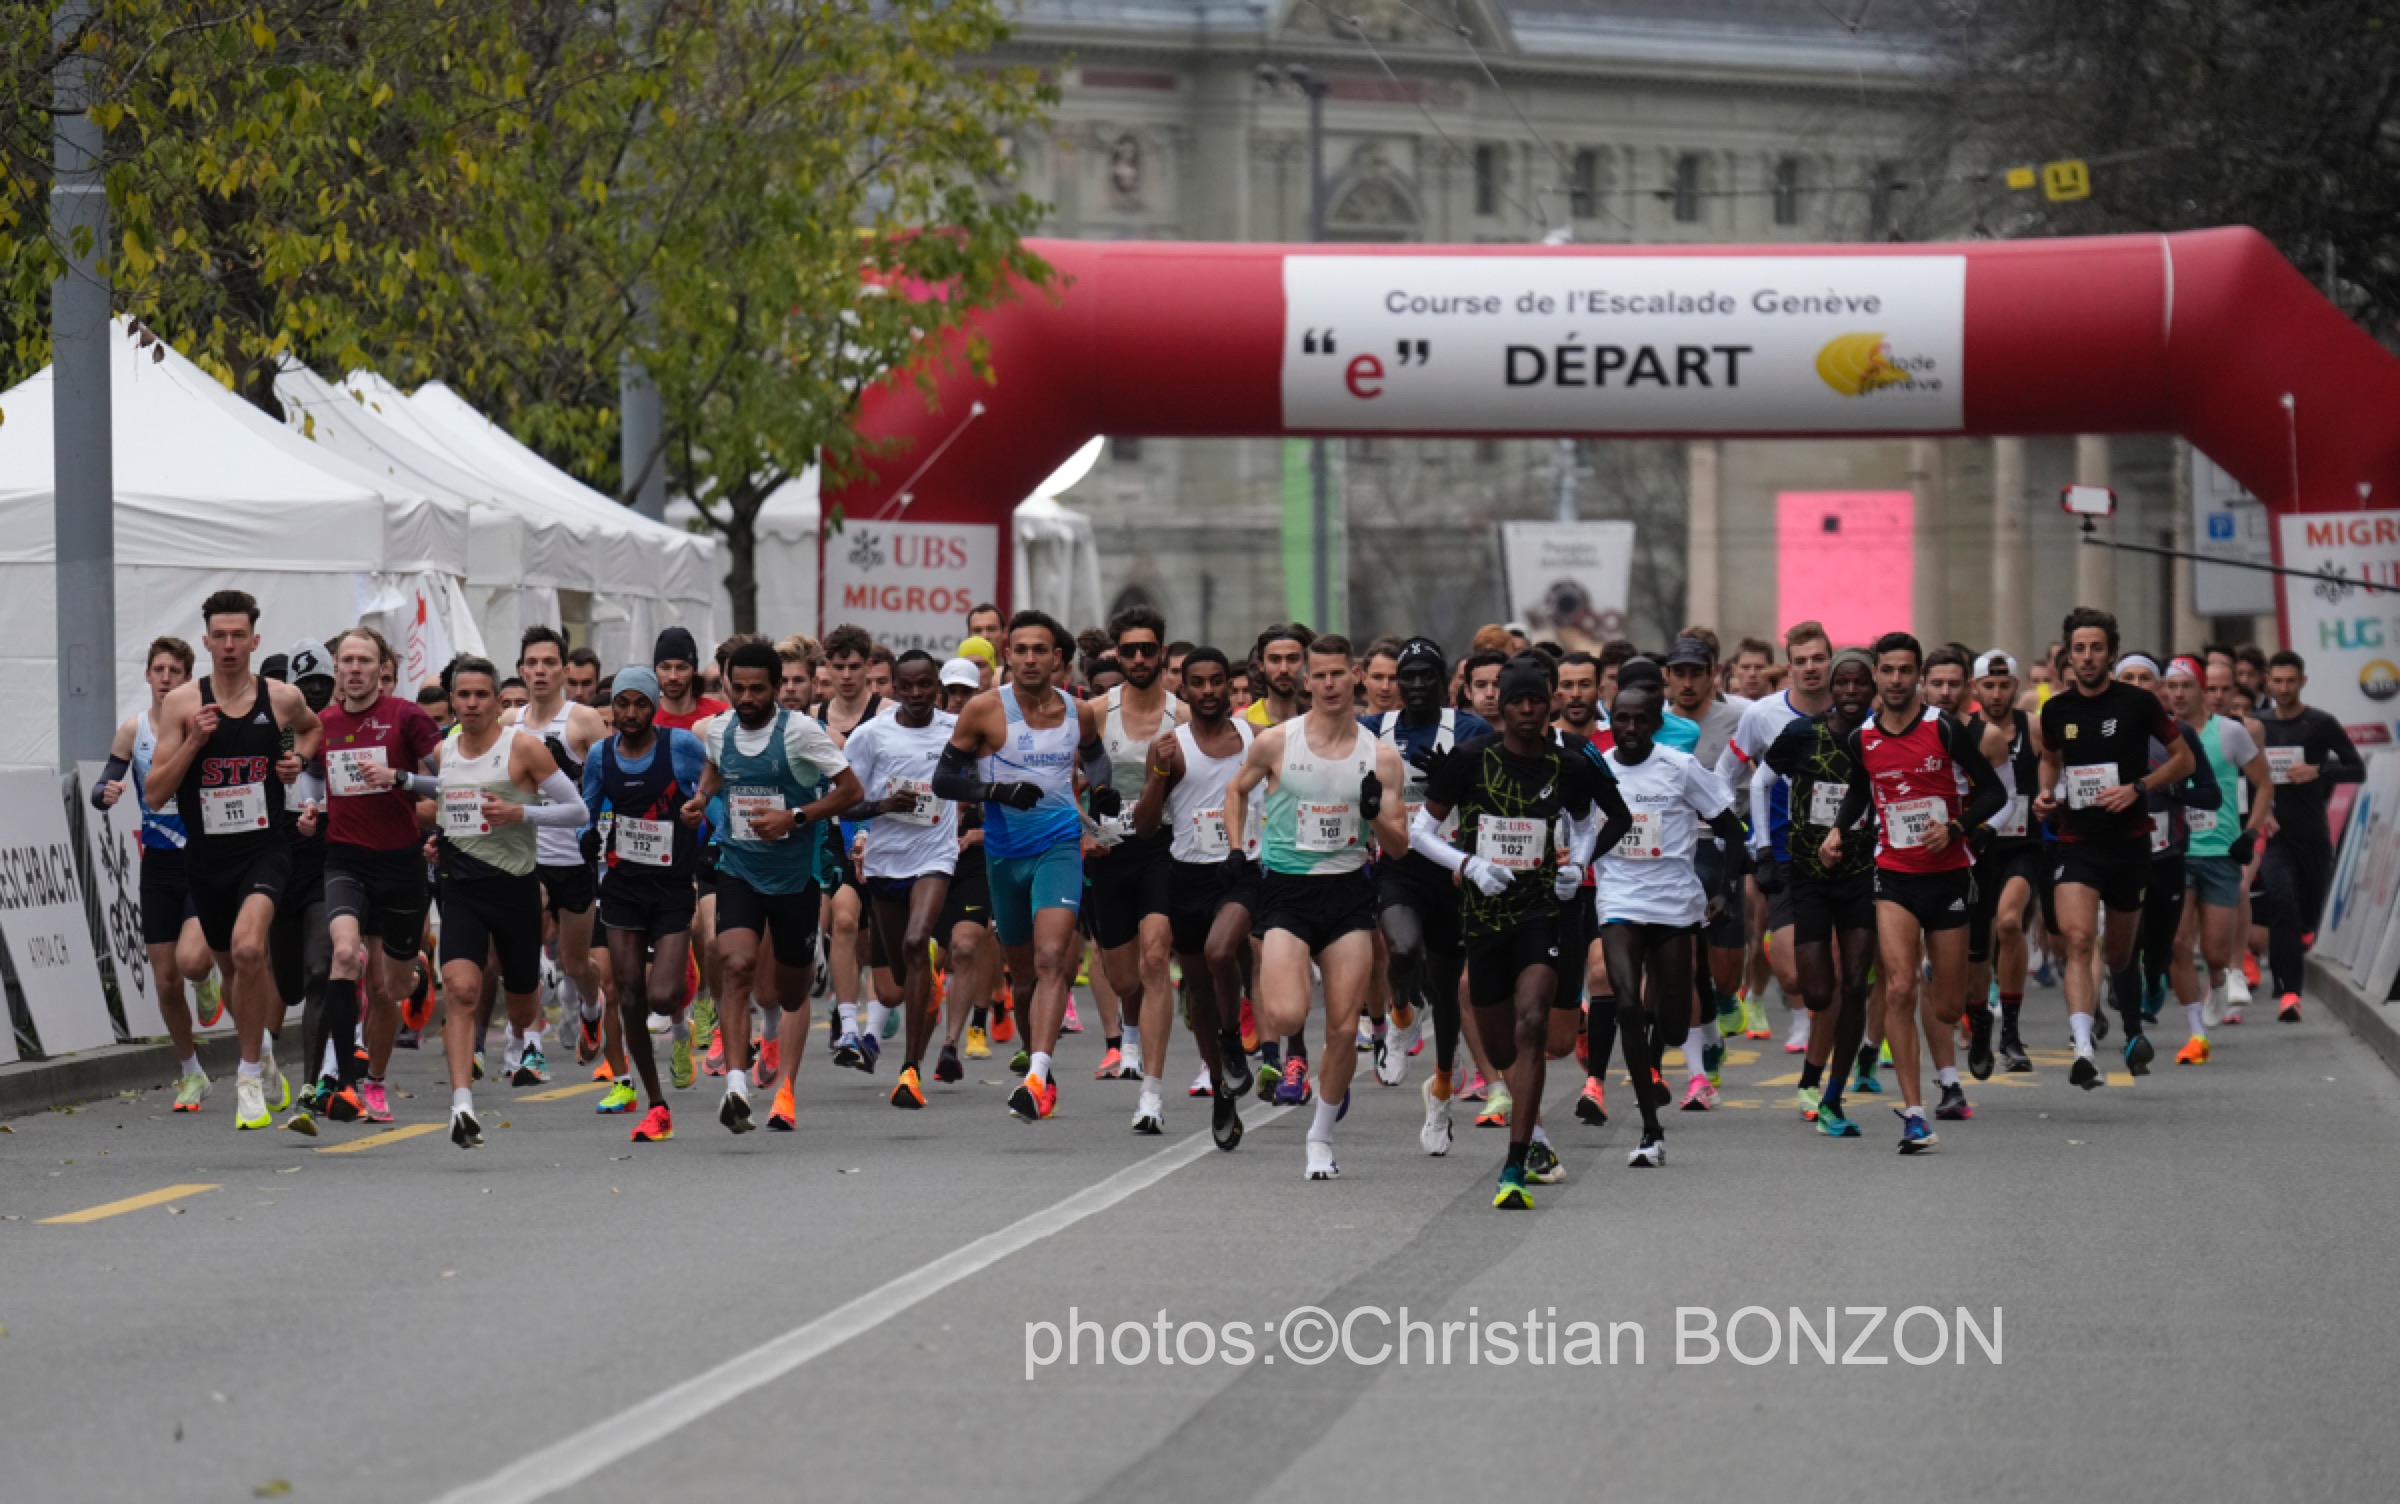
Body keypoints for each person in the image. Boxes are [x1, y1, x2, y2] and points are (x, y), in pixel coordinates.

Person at [1413, 656, 1630, 1208]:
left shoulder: (1569, 764)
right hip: (1485, 915)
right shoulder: (1470, 760)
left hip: (1541, 912)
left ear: (1549, 702)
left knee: (1533, 1022)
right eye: (1517, 701)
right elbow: (1420, 833)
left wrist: (1578, 865)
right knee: (1503, 1044)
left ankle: (1515, 1163)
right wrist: (1469, 866)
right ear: (1503, 707)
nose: (1528, 710)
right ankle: (1527, 1129)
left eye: (1536, 700)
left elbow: (1587, 824)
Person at [1222, 636, 1408, 1181]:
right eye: (1319, 675)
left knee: (1345, 1030)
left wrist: (1376, 815)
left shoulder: (1380, 757)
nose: (1328, 685)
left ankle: (1320, 1137)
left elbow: (1398, 846)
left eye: (1337, 674)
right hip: (1286, 892)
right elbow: (1236, 790)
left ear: (1354, 676)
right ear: (1308, 681)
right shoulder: (1277, 743)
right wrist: (1236, 848)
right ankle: (1318, 1068)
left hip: (1348, 892)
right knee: (1286, 1016)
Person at [145, 591, 322, 1132]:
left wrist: (296, 760)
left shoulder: (281, 697)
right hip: (207, 857)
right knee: (229, 967)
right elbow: (155, 793)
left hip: (265, 849)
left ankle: (246, 1077)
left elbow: (311, 728)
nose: (228, 645)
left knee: (249, 949)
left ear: (254, 640)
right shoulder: (183, 705)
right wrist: (194, 742)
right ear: (206, 641)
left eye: (238, 635)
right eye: (219, 636)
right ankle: (260, 1049)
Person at [1823, 631, 2006, 1150]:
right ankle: (1916, 1114)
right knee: (1899, 987)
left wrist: (1957, 828)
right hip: (1894, 875)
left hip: (1948, 877)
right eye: (1888, 671)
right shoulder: (1862, 738)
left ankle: (1966, 1004)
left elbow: (1993, 792)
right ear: (1876, 675)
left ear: (1918, 676)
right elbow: (1861, 790)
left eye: (1906, 671)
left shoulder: (1944, 729)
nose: (1897, 680)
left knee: (1946, 1007)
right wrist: (1838, 830)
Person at [932, 609, 1114, 1123]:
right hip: (1004, 854)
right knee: (1026, 976)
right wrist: (996, 792)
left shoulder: (1078, 712)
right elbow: (944, 780)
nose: (1030, 659)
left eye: (1041, 650)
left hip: (1059, 845)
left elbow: (1095, 757)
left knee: (1053, 956)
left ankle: (1036, 1077)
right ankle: (1039, 1066)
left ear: (1057, 658)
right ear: (1007, 655)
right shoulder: (985, 710)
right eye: (1022, 650)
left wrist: (1102, 789)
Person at [681, 643, 859, 1132]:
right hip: (739, 868)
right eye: (737, 688)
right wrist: (703, 798)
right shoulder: (721, 730)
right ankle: (736, 1087)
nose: (746, 698)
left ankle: (787, 1069)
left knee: (791, 991)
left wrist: (794, 817)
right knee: (735, 963)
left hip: (795, 878)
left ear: (777, 687)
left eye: (757, 689)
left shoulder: (801, 733)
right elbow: (716, 767)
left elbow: (851, 791)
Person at [2034, 609, 2194, 1087]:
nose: (2087, 657)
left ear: (2111, 654)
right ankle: (2083, 1049)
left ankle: (2128, 1020)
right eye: (2079, 649)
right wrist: (2046, 793)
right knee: (2078, 940)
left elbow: (2183, 760)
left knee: (2121, 953)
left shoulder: (2138, 703)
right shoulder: (2056, 710)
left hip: (2128, 843)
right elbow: (2050, 760)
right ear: (2068, 654)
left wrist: (2138, 787)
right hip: (2076, 842)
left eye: (2096, 648)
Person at [431, 656, 586, 1148]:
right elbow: (449, 810)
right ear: (452, 701)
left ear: (498, 702)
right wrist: (437, 840)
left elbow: (577, 811)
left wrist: (520, 812)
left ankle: (529, 1016)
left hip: (515, 888)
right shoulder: (443, 751)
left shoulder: (523, 748)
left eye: (481, 695)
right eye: (463, 695)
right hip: (460, 888)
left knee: (521, 1008)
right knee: (461, 990)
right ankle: (461, 1105)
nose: (472, 703)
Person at [1593, 676, 1748, 1166]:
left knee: (1675, 1025)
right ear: (1611, 721)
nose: (1630, 727)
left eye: (1640, 720)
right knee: (1625, 1003)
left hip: (1675, 905)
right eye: (1622, 718)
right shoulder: (1597, 768)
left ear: (1656, 724)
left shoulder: (1680, 768)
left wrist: (1725, 890)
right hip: (1619, 899)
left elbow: (1730, 829)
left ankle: (1666, 1035)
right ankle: (1650, 1130)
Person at [313, 627, 445, 1126]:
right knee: (345, 954)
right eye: (347, 660)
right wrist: (311, 812)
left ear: (381, 668)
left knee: (390, 989)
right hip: (345, 861)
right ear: (336, 668)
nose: (355, 669)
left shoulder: (406, 716)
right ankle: (346, 1081)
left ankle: (377, 1078)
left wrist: (401, 778)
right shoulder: (322, 723)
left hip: (400, 864)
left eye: (364, 661)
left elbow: (452, 777)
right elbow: (308, 777)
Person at [1364, 638, 1492, 1153]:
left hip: (1452, 869)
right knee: (1400, 949)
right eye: (1408, 676)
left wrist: (1453, 784)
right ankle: (1399, 1015)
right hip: (1399, 865)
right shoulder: (1374, 730)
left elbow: (1492, 796)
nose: (1417, 685)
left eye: (1426, 676)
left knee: (1445, 989)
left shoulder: (1470, 730)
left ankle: (1440, 1097)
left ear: (1444, 682)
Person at [1132, 646, 1258, 1150]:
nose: (1208, 691)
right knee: (1199, 989)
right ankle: (1222, 1088)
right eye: (1198, 683)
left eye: (1216, 681)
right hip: (1187, 873)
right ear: (1182, 689)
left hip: (1242, 869)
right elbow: (1145, 827)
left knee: (1220, 951)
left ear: (1229, 684)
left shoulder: (1255, 738)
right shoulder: (1170, 746)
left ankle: (1232, 1039)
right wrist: (1160, 775)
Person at [92, 636, 219, 1111]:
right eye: (159, 670)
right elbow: (104, 783)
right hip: (159, 864)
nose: (165, 679)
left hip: (202, 859)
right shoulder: (134, 729)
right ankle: (191, 1072)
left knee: (192, 961)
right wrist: (105, 793)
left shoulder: (203, 725)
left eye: (175, 672)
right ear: (147, 675)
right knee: (165, 981)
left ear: (188, 678)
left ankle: (205, 980)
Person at [1761, 650, 1880, 1138]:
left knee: (1855, 986)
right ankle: (1815, 1076)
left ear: (1872, 689)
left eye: (1860, 683)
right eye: (1843, 683)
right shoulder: (1801, 733)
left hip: (1862, 875)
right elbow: (1763, 779)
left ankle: (1831, 1093)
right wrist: (1764, 847)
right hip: (1809, 873)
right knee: (1817, 991)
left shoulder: (1878, 738)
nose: (1851, 691)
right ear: (1832, 688)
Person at [837, 651, 960, 1110]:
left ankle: (910, 1069)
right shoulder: (871, 736)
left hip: (935, 855)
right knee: (896, 985)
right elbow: (842, 803)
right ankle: (928, 985)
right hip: (886, 862)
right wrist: (881, 807)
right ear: (892, 688)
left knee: (915, 941)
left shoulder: (955, 730)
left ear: (937, 686)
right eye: (905, 686)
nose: (915, 694)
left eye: (924, 684)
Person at [1082, 606, 1186, 1104]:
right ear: (1117, 655)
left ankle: (1153, 1088)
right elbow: (1063, 779)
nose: (1140, 658)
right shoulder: (1096, 713)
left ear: (1161, 653)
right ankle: (1130, 1031)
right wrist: (1084, 833)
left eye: (1148, 649)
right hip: (1109, 851)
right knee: (1125, 979)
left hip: (1162, 847)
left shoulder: (1182, 715)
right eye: (1130, 651)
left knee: (1156, 957)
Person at [1718, 621, 1834, 1056]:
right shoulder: (1762, 714)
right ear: (1789, 667)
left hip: (1845, 852)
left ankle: (1840, 1035)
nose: (1810, 668)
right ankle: (1804, 1014)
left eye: (1818, 659)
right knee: (1794, 973)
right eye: (1801, 661)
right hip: (1785, 851)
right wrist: (1727, 827)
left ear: (1831, 662)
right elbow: (1726, 772)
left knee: (1842, 965)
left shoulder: (1853, 709)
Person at [507, 627, 615, 1087]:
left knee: (575, 964)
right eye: (532, 663)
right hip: (526, 855)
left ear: (564, 670)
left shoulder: (583, 720)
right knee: (526, 949)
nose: (540, 671)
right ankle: (530, 1046)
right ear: (521, 670)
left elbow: (611, 782)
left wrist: (607, 839)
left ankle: (592, 1006)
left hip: (576, 858)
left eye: (549, 663)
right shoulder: (509, 723)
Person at [2253, 650, 2365, 1020]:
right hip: (2274, 834)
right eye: (2278, 681)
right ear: (2268, 682)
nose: (2284, 688)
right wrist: (2260, 811)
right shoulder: (2256, 726)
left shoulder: (2319, 723)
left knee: (2306, 913)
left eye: (2291, 681)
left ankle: (2302, 941)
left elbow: (2356, 769)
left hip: (2313, 835)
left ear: (2302, 682)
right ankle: (2290, 993)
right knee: (2281, 901)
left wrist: (2318, 771)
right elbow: (2240, 775)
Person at [2185, 658, 2274, 1041]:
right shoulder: (2170, 730)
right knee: (2181, 938)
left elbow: (2263, 781)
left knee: (2238, 892)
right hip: (2184, 843)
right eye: (2212, 689)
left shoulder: (2244, 729)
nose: (2219, 696)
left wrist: (2256, 827)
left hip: (2233, 833)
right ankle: (2217, 981)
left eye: (2226, 690)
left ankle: (2233, 969)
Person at [1964, 651, 2044, 1074]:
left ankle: (2011, 1032)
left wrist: (2051, 794)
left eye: (2004, 685)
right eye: (1988, 686)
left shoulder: (2034, 727)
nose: (1996, 694)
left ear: (2016, 686)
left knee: (2010, 922)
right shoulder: (1965, 731)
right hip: (1976, 849)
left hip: (2022, 845)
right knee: (1976, 949)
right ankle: (1980, 1023)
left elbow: (2056, 769)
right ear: (1975, 688)